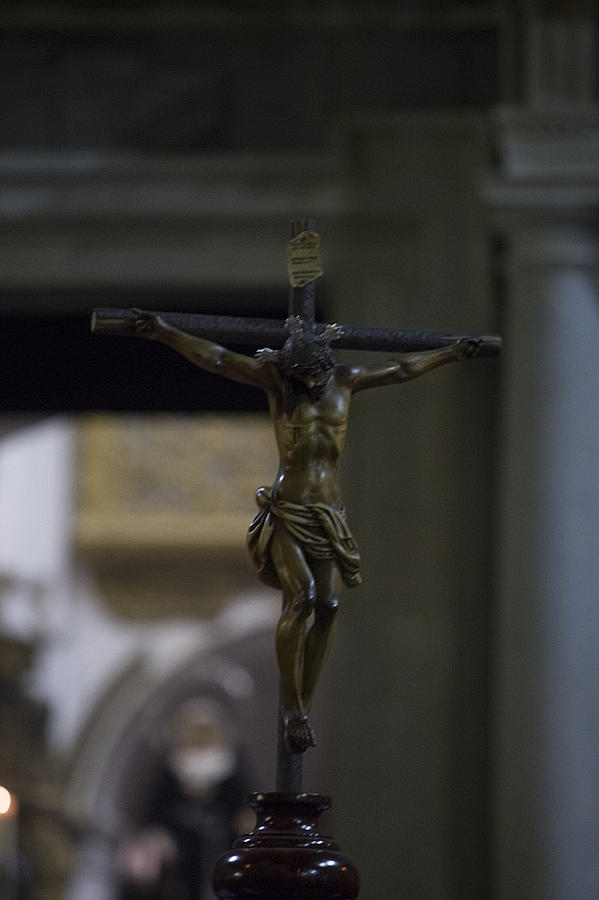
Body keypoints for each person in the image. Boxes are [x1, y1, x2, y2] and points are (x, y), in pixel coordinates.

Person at [133, 309, 479, 753]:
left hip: (329, 514)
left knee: (330, 604)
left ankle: (304, 704)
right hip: (290, 509)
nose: (312, 384)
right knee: (303, 599)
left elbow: (401, 369)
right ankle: (293, 709)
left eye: (317, 374)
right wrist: (165, 333)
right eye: (304, 376)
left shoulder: (346, 381)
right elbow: (217, 358)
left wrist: (449, 353)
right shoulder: (279, 385)